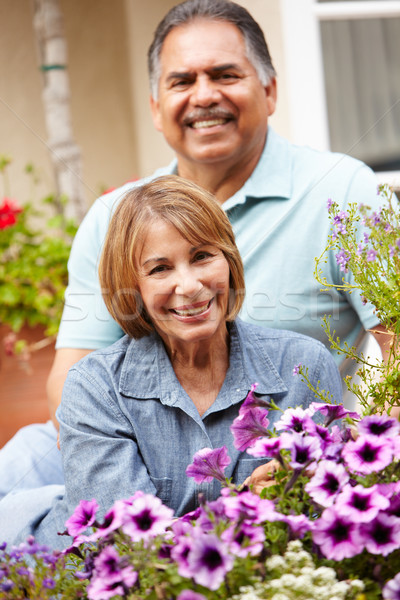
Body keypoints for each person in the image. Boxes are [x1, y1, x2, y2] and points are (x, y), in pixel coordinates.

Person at [0, 0, 389, 499]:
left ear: (269, 91)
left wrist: (365, 458)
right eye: (182, 81)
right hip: (128, 451)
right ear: (156, 107)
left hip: (271, 457)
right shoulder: (116, 215)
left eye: (225, 74)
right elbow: (73, 376)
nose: (204, 96)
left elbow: (396, 341)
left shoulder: (345, 192)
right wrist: (124, 475)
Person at [0, 175, 342, 549]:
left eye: (202, 256)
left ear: (228, 261)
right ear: (134, 287)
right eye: (160, 268)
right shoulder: (94, 386)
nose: (190, 285)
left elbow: (321, 520)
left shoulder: (303, 367)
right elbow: (130, 547)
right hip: (34, 551)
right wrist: (249, 500)